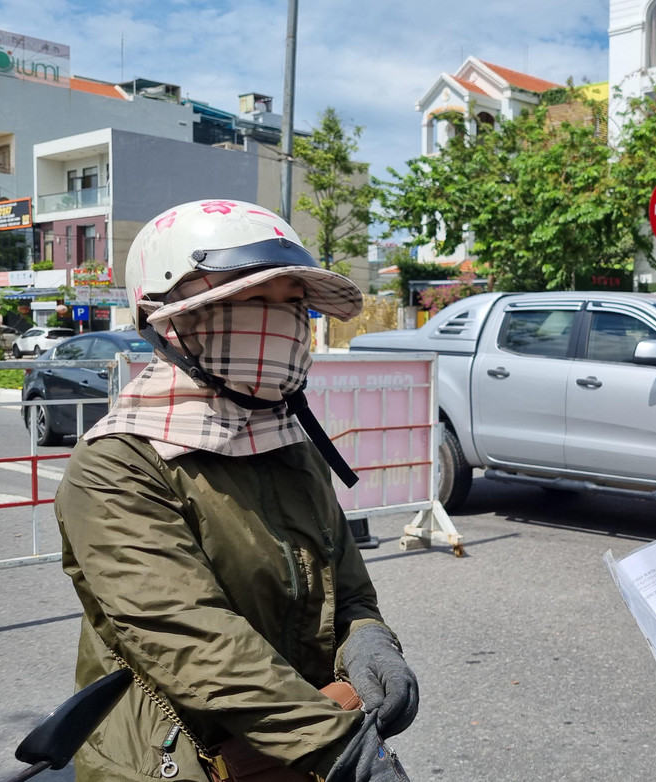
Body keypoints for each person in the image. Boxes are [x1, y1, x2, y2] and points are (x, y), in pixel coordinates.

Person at [56, 200, 416, 782]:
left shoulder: (289, 444)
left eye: (292, 303)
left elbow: (346, 590)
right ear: (167, 319)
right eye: (249, 298)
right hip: (178, 763)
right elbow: (188, 634)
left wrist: (370, 645)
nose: (278, 320)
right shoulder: (116, 464)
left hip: (309, 742)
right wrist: (341, 751)